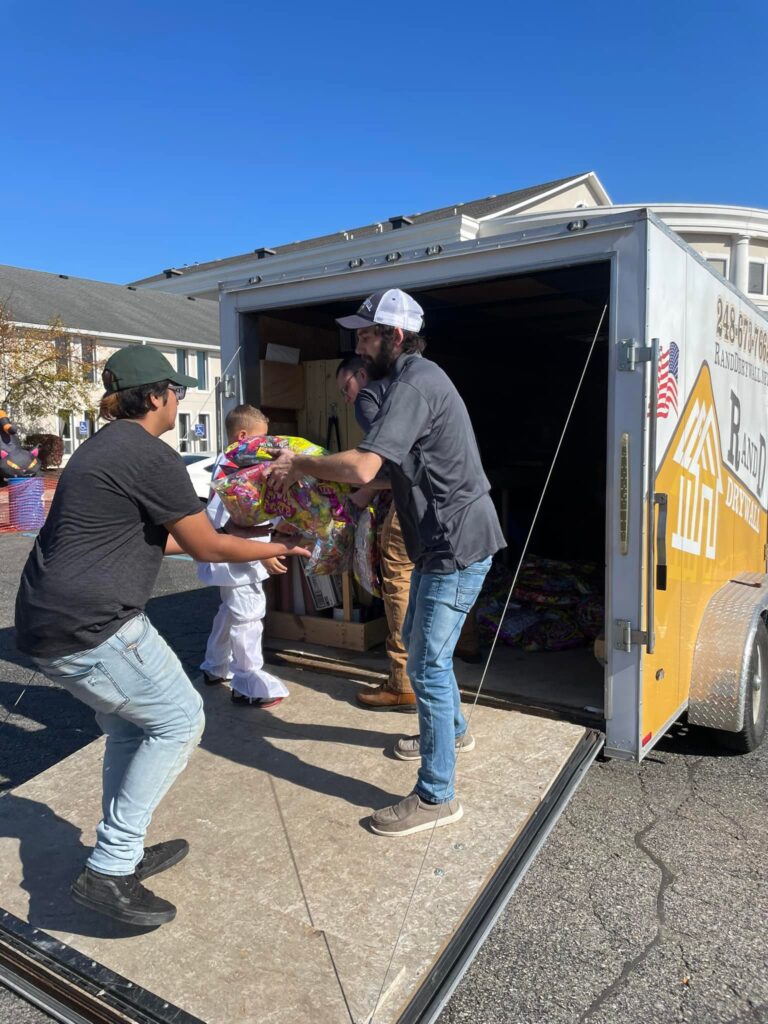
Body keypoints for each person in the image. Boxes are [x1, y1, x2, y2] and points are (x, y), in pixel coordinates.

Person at [14, 346, 309, 927]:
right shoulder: (149, 454)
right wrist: (281, 546)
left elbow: (164, 538)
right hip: (93, 624)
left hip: (48, 619)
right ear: (155, 397)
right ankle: (110, 868)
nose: (177, 398)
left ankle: (120, 849)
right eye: (173, 390)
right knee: (179, 720)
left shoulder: (102, 448)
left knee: (130, 726)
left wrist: (257, 534)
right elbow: (206, 545)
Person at [269, 288, 505, 837]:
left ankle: (436, 795)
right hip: (436, 540)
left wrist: (301, 465)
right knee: (425, 650)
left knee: (425, 663)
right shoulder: (405, 382)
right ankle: (454, 731)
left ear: (394, 336)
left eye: (366, 333)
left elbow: (362, 465)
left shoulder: (414, 384)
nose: (358, 342)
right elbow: (381, 473)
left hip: (454, 544)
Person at [336, 356, 416, 711]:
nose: (349, 398)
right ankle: (465, 646)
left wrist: (368, 488)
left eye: (346, 388)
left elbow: (400, 465)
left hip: (412, 500)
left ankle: (402, 682)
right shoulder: (418, 390)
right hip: (448, 499)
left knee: (397, 580)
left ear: (362, 375)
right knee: (442, 572)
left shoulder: (370, 399)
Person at [199, 404, 289, 708]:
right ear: (242, 436)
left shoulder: (227, 462)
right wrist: (262, 552)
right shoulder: (235, 468)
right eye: (260, 439)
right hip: (238, 556)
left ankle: (215, 666)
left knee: (231, 610)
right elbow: (230, 522)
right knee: (248, 614)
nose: (264, 445)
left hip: (233, 555)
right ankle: (247, 682)